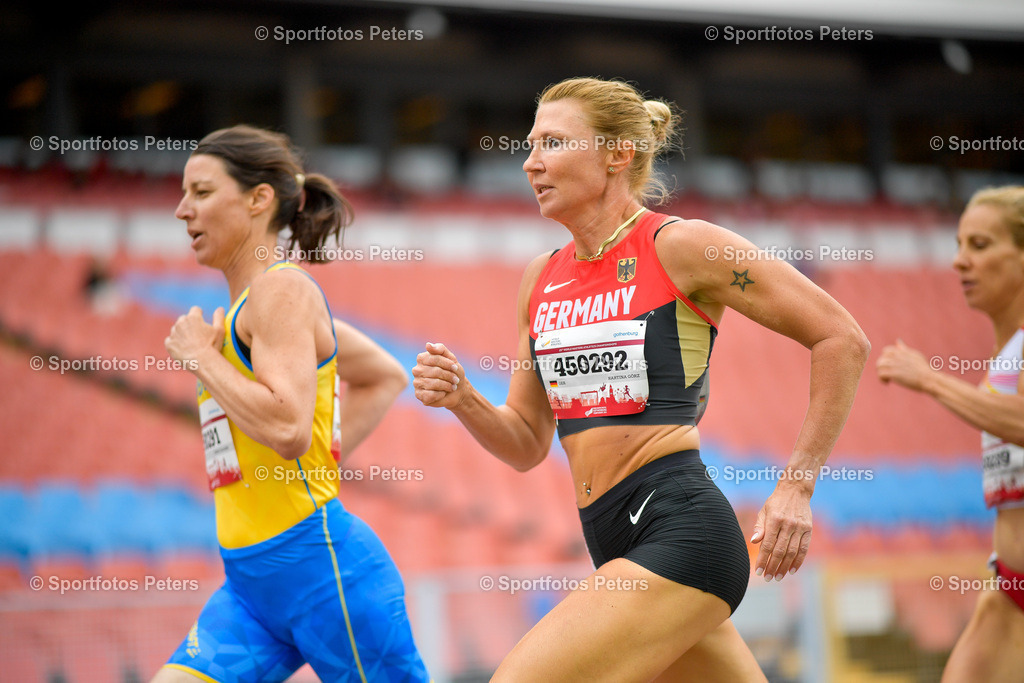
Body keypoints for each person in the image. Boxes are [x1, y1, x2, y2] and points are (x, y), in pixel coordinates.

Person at [412, 77, 870, 681]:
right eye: (529, 145)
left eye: (552, 143)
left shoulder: (684, 247)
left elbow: (842, 338)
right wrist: (464, 399)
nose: (530, 163)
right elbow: (526, 441)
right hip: (610, 538)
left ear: (616, 154)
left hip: (680, 528)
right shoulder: (540, 279)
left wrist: (795, 488)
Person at [154, 124, 431, 683]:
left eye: (202, 193)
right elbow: (382, 374)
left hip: (323, 573)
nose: (183, 210)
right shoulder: (248, 311)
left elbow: (286, 429)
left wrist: (202, 361)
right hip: (250, 589)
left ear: (258, 200)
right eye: (184, 194)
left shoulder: (281, 290)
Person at [877, 186, 1024, 682]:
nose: (960, 262)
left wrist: (930, 379)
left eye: (980, 246)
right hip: (1011, 586)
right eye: (959, 245)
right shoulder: (1005, 355)